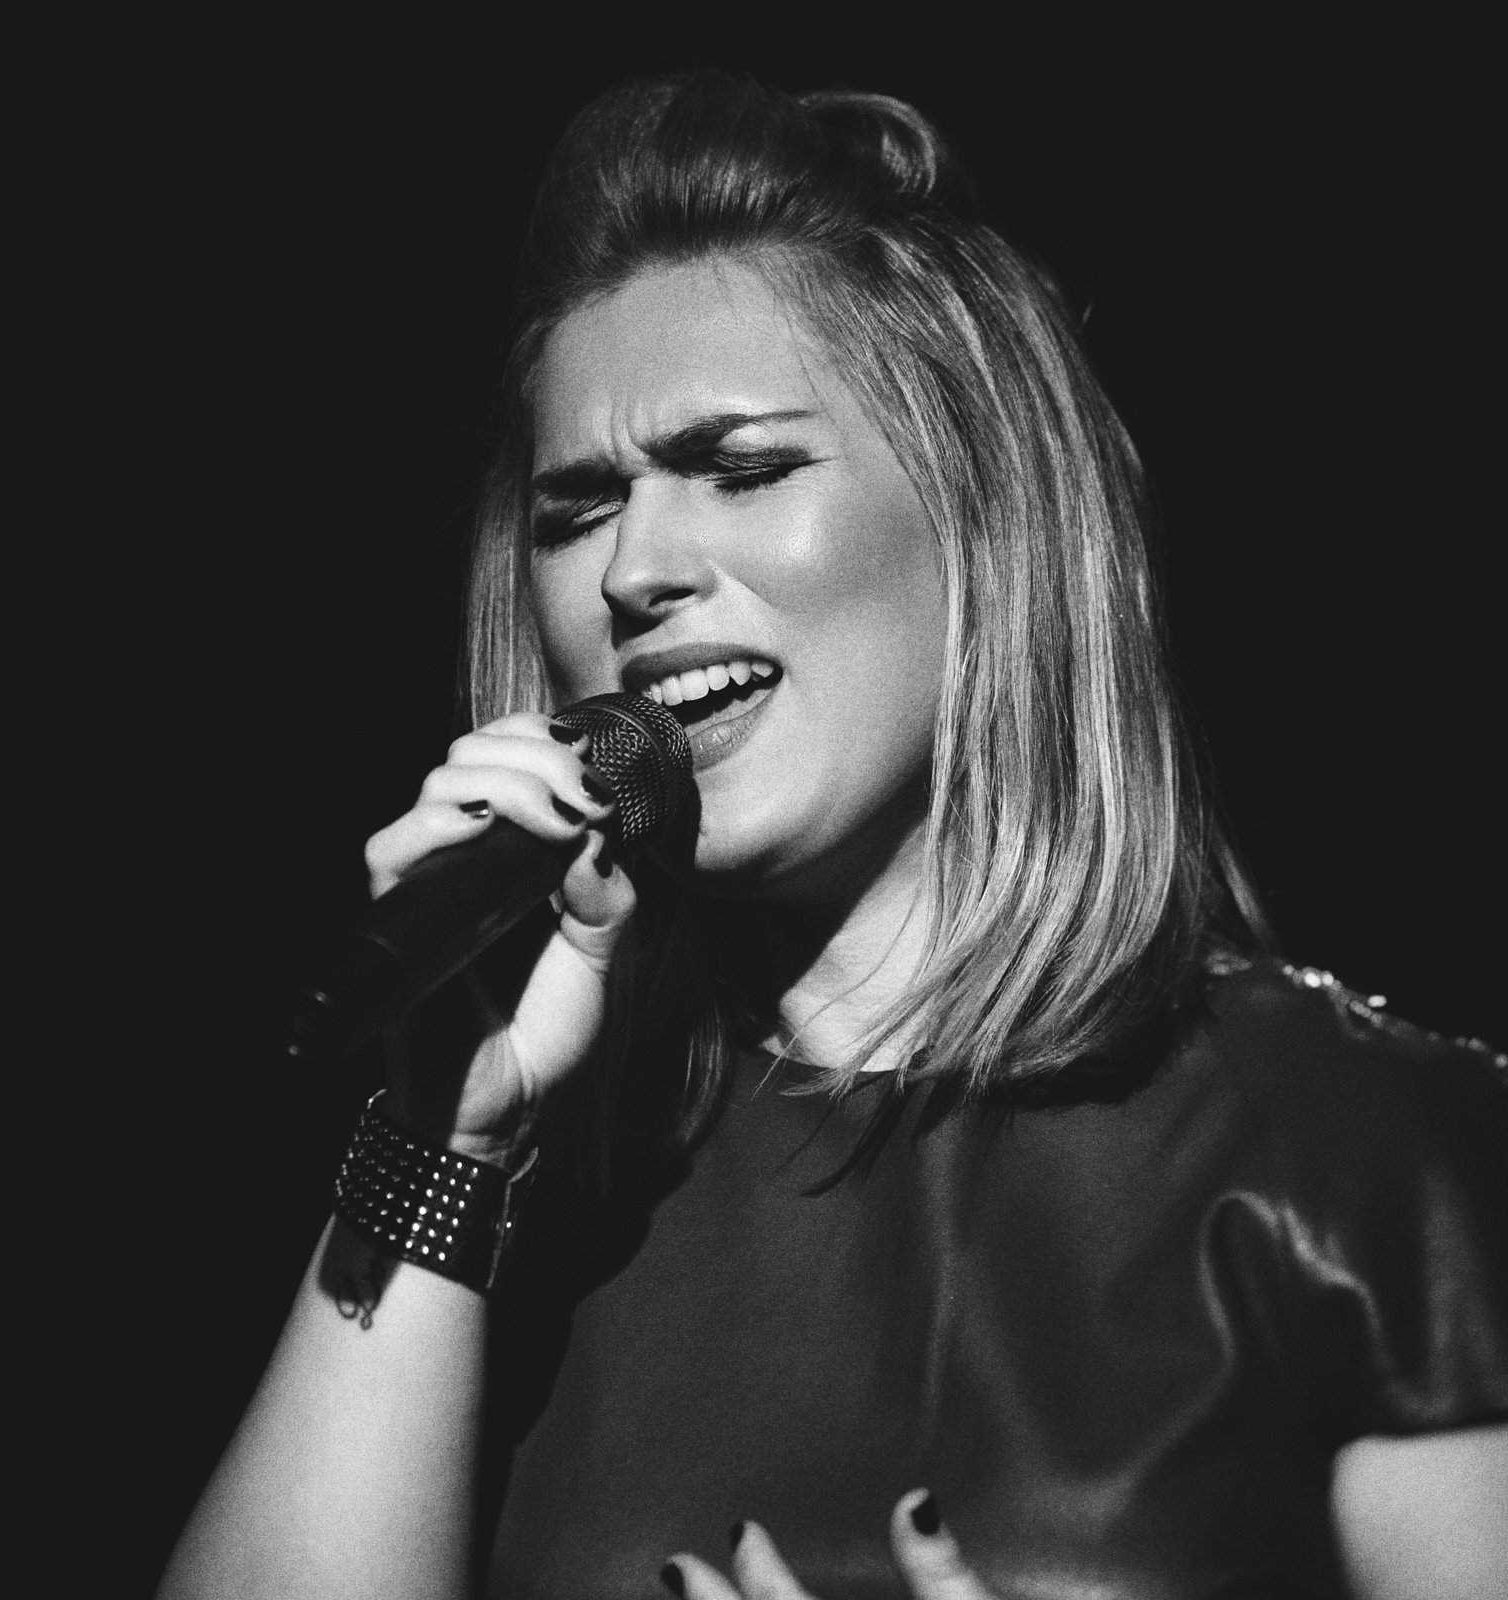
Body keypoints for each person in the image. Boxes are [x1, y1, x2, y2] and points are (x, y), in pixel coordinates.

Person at [158, 74, 1508, 1599]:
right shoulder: (545, 1197)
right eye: (577, 510)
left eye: (742, 470)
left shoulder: (1368, 1153)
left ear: (991, 517)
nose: (635, 571)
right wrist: (437, 1145)